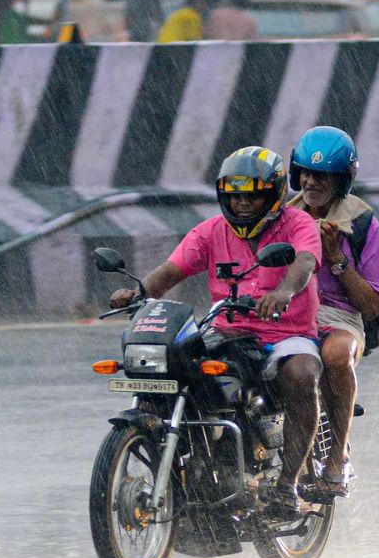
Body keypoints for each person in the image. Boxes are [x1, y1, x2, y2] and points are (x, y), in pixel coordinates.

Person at [108, 146, 323, 517]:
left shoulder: (299, 224)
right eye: (234, 195)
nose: (241, 203)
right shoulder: (210, 231)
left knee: (302, 375)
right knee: (175, 368)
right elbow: (172, 270)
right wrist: (139, 293)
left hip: (285, 333)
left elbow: (303, 262)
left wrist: (284, 292)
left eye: (251, 194)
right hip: (226, 330)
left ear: (272, 194)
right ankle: (199, 468)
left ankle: (287, 485)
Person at [285, 126, 379, 498]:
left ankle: (338, 455)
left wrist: (337, 259)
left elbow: (372, 306)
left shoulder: (362, 223)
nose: (311, 182)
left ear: (342, 179)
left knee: (334, 354)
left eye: (322, 176)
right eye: (306, 174)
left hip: (339, 317)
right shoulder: (283, 217)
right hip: (290, 311)